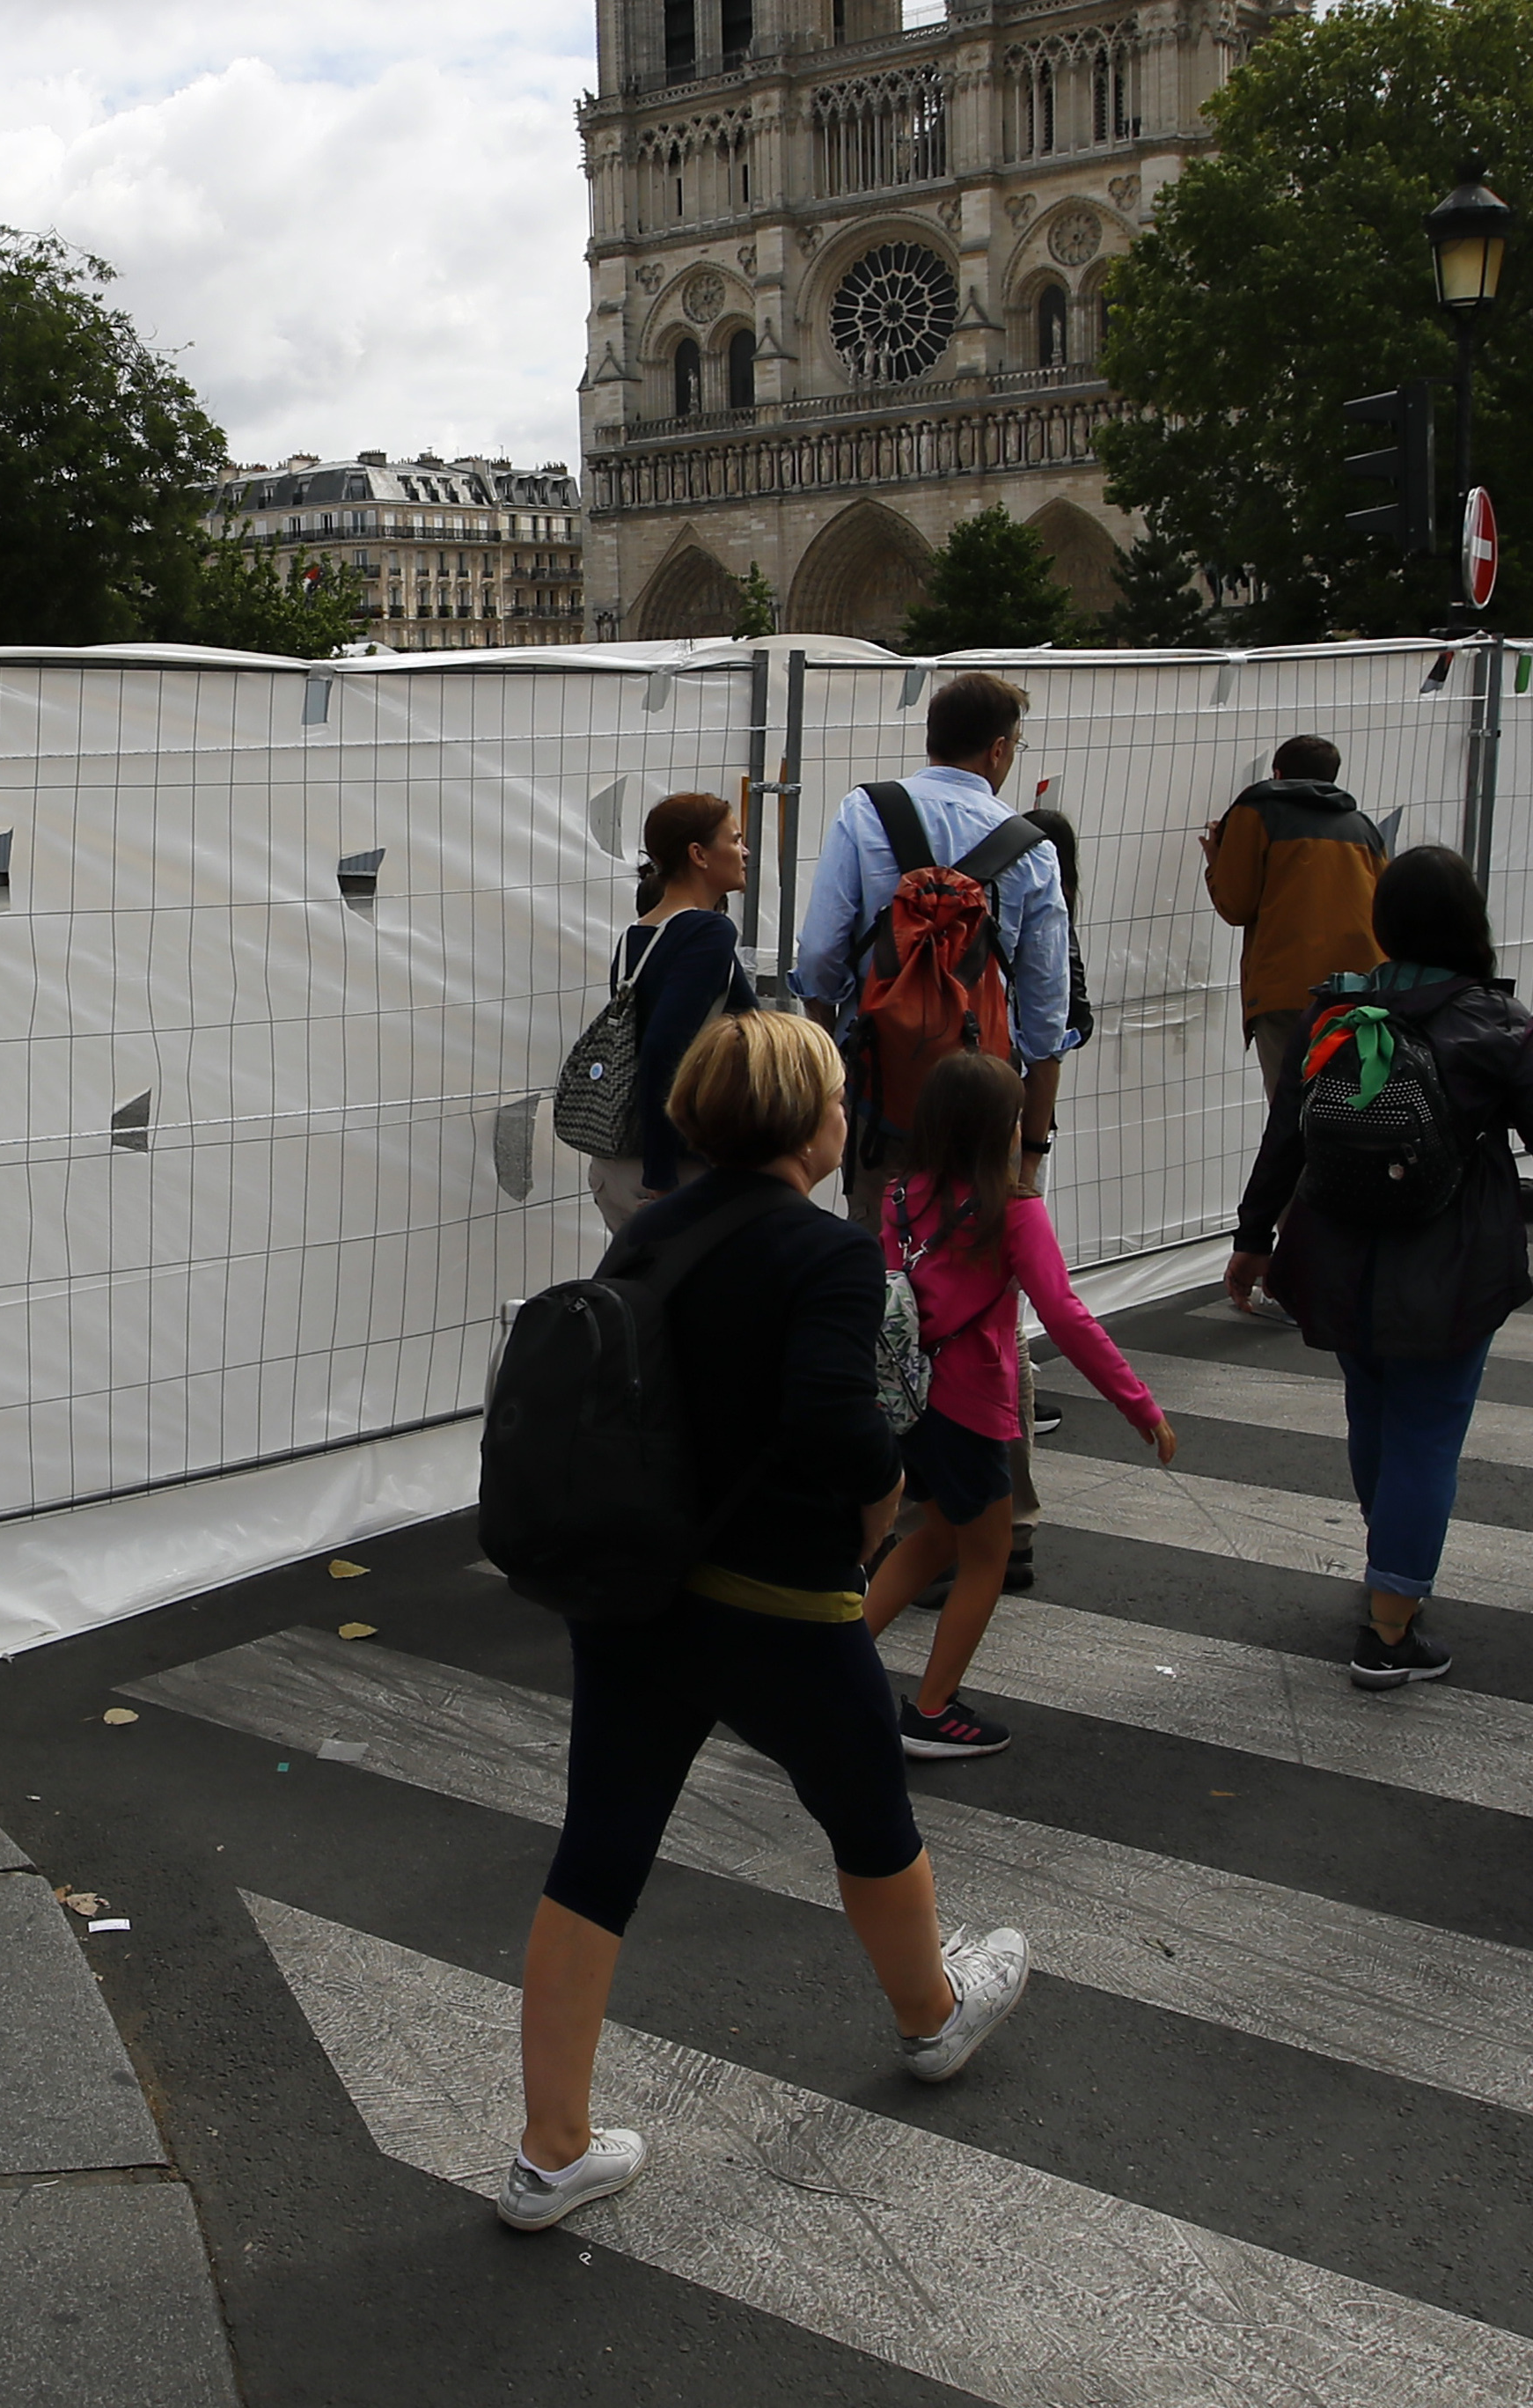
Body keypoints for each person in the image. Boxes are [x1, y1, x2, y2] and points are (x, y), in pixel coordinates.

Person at [499, 1013, 1031, 2229]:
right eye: (839, 1098)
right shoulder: (826, 1255)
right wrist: (879, 1511)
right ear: (808, 1122)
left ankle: (551, 2152)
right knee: (867, 1814)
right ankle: (931, 2017)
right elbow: (838, 1425)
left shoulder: (646, 1235)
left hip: (637, 1592)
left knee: (601, 1846)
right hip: (780, 1598)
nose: (850, 1117)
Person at [1221, 847, 1533, 1685]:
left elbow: (1285, 1139)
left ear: (1384, 923)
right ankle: (1390, 1632)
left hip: (1339, 1251)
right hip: (1451, 1263)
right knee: (1429, 1431)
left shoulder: (1335, 1012)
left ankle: (1389, 1568)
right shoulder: (1494, 1022)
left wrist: (1253, 1240)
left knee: (1374, 1414)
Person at [860, 1050, 1175, 1758]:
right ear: (1003, 1129)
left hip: (906, 1401)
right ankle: (933, 1711)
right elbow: (1065, 1316)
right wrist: (1139, 1405)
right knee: (988, 1556)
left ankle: (833, 1667)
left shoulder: (901, 1196)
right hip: (971, 1405)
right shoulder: (1014, 1212)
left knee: (934, 1535)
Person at [792, 668, 1077, 1212]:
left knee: (880, 1249)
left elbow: (823, 953)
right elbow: (1046, 1009)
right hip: (984, 1096)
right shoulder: (1033, 849)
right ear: (998, 749)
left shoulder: (865, 812)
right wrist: (1032, 1151)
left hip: (879, 1080)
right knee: (975, 1256)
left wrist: (835, 1064)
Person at [587, 789, 753, 1230]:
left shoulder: (636, 937)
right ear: (699, 854)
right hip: (676, 1171)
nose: (745, 851)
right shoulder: (710, 932)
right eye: (735, 839)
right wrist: (662, 1180)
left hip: (616, 1163)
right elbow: (663, 1049)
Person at [1204, 736, 1386, 1117]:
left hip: (1287, 992)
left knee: (1295, 1117)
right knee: (1355, 1112)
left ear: (1278, 773)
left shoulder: (1257, 812)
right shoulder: (1363, 828)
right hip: (1361, 994)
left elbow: (1236, 905)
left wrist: (1217, 861)